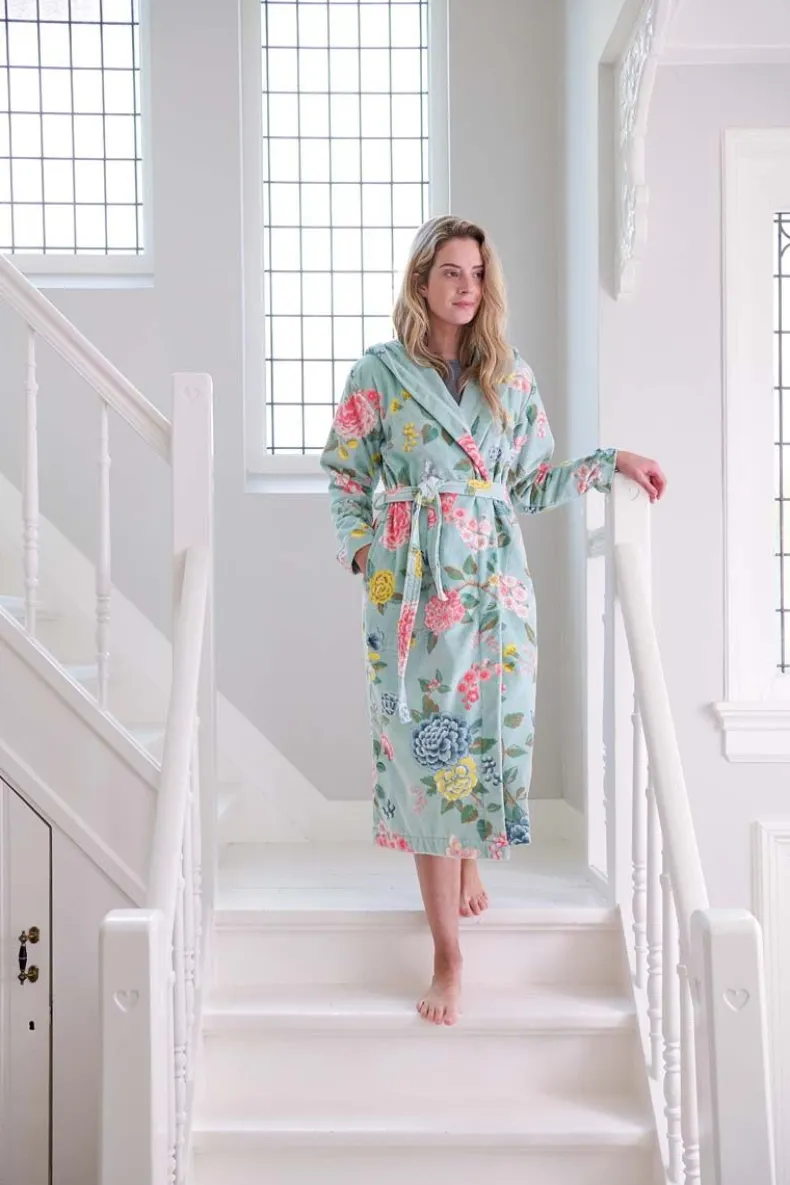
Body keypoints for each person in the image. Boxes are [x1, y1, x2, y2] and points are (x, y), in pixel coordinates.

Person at [320, 215, 666, 1027]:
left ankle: (468, 852)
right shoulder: (379, 372)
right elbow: (344, 472)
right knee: (426, 754)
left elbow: (533, 484)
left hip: (493, 590)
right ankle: (449, 955)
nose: (466, 286)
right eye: (451, 271)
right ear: (422, 281)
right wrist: (366, 551)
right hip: (413, 587)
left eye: (477, 273)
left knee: (484, 735)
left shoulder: (510, 378)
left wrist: (607, 463)